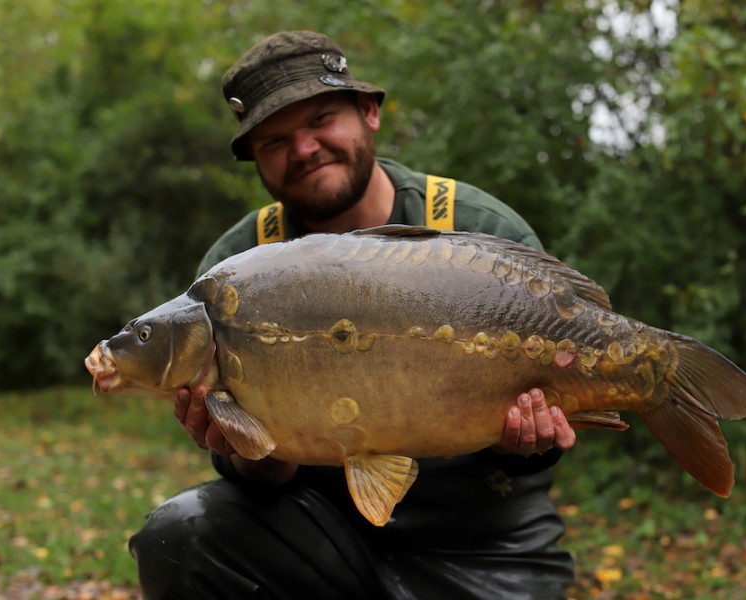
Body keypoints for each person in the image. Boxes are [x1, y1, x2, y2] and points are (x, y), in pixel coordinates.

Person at [129, 31, 577, 599]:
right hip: (321, 531)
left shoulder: (478, 230)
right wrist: (246, 450)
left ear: (369, 112)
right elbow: (259, 480)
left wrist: (526, 442)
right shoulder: (235, 270)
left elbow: (542, 442)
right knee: (180, 535)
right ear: (256, 158)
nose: (304, 149)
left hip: (486, 537)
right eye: (275, 140)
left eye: (321, 120)